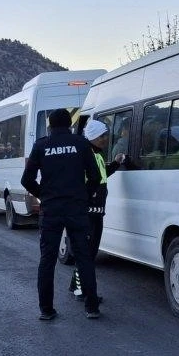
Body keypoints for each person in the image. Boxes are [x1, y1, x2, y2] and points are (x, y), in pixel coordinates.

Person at [20, 108, 101, 320]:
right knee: (84, 258)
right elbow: (95, 176)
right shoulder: (81, 144)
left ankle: (46, 310)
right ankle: (91, 307)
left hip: (51, 210)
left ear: (50, 125)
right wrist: (85, 196)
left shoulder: (41, 145)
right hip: (77, 209)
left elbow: (26, 180)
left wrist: (43, 196)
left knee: (47, 259)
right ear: (70, 124)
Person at [69, 119, 127, 299]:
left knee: (88, 252)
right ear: (94, 137)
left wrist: (116, 164)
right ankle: (81, 290)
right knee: (86, 253)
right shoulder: (86, 155)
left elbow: (101, 176)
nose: (106, 139)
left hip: (97, 212)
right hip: (88, 213)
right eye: (103, 136)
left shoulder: (98, 154)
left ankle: (76, 286)